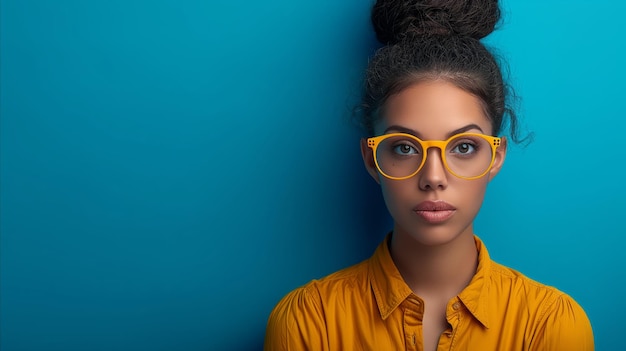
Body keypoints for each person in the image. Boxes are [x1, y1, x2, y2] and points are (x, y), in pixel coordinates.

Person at [264, 0, 594, 350]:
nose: (433, 177)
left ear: (495, 157)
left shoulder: (551, 325)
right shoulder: (308, 323)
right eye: (404, 147)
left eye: (463, 147)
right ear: (371, 159)